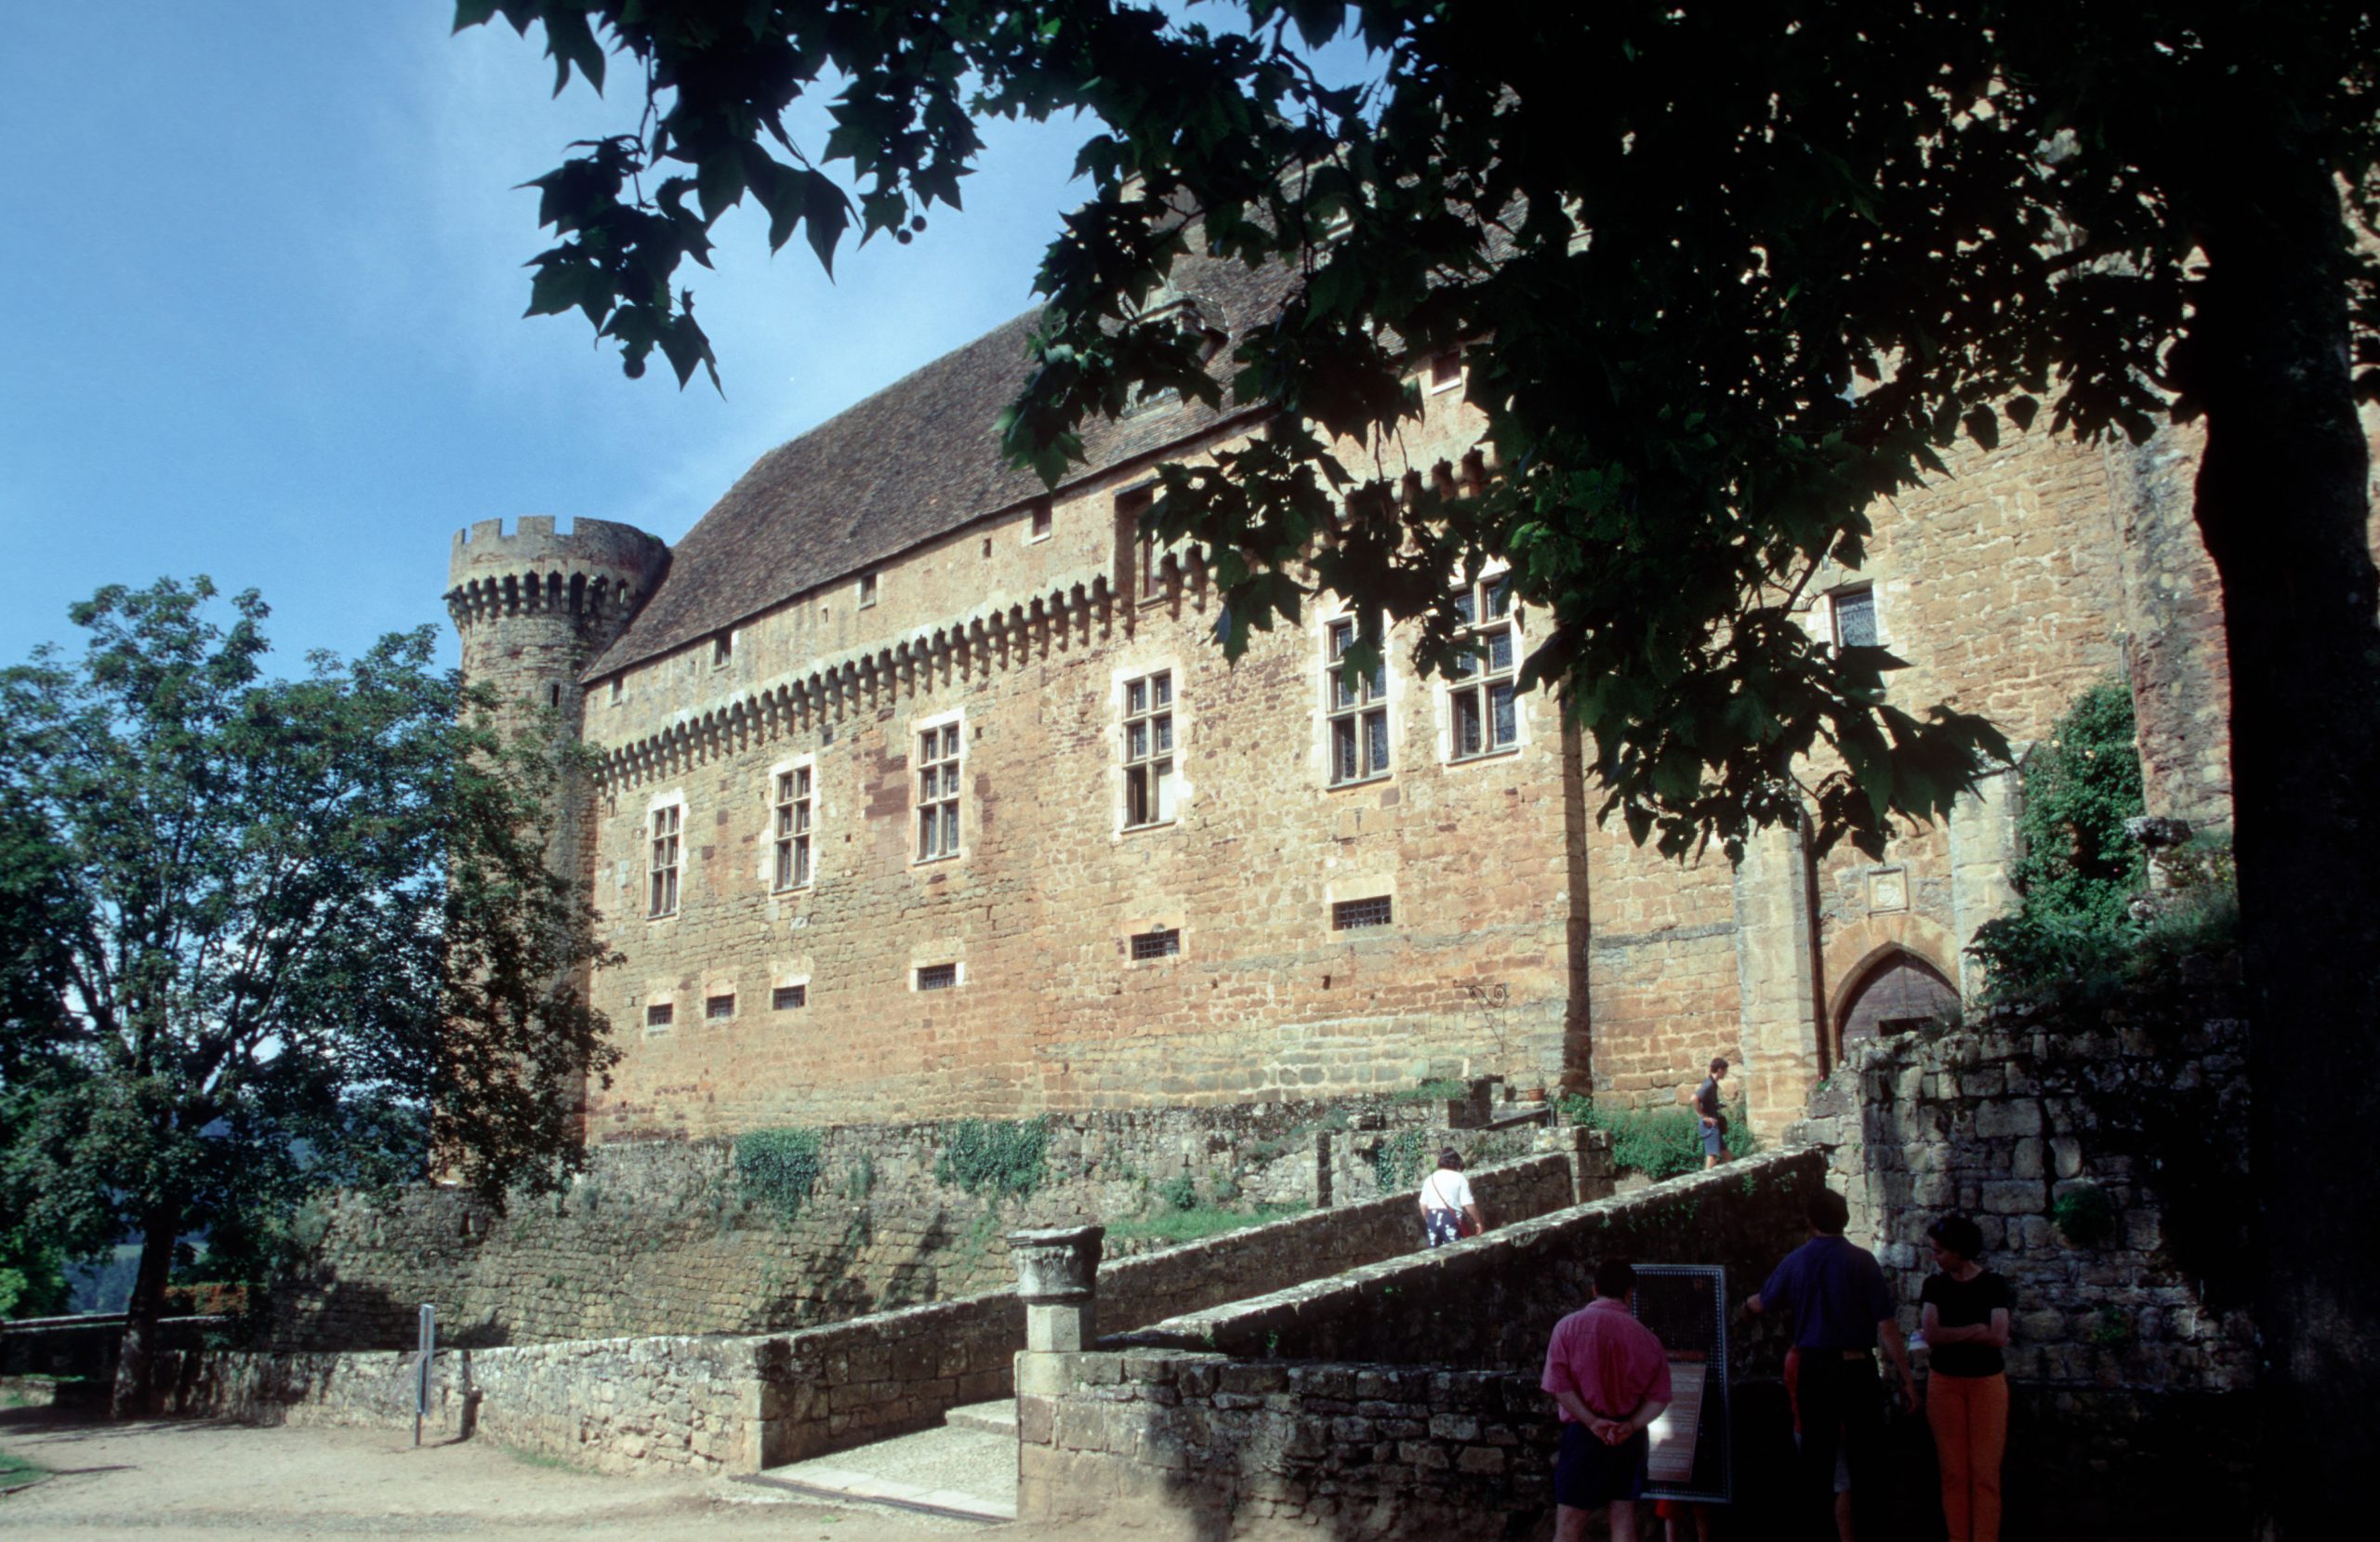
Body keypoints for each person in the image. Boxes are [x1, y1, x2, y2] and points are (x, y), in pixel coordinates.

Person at [1745, 1189, 1916, 1532]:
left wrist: (1748, 1304)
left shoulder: (1797, 1260)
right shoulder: (1862, 1261)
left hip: (1816, 1368)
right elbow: (1887, 1326)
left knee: (1816, 1463)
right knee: (1866, 1459)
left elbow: (1762, 1303)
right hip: (1856, 1368)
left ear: (1810, 1221)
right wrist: (1907, 1378)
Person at [1542, 1259, 1673, 1542]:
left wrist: (1592, 1422)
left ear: (1594, 1289)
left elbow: (1557, 1386)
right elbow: (1659, 1397)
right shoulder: (1648, 1339)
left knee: (1569, 1525)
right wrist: (1631, 1425)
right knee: (1624, 1518)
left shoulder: (1566, 1328)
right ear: (1630, 1293)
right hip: (1626, 1438)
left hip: (1582, 1435)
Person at [1920, 1214, 2013, 1542]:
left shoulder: (1993, 1284)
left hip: (1986, 1383)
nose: (1935, 1257)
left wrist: (1954, 1334)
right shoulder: (1934, 1286)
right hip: (1945, 1383)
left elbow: (1999, 1335)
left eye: (1940, 1251)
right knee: (1954, 1472)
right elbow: (1931, 1333)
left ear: (1960, 1251)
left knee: (1985, 1472)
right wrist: (1974, 1330)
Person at [1417, 1148, 1486, 1247]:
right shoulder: (1459, 1178)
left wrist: (1428, 1219)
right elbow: (1468, 1203)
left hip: (1432, 1219)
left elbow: (1423, 1204)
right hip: (1450, 1218)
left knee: (1435, 1255)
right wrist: (1478, 1222)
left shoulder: (1429, 1179)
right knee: (1456, 1253)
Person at [1695, 1058, 1731, 1169]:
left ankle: (1719, 1181)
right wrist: (1703, 1116)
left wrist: (1717, 1105)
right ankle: (1703, 1184)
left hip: (1714, 1124)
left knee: (1728, 1157)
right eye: (1725, 1070)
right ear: (1720, 1070)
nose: (1726, 1073)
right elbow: (1694, 1098)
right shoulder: (1709, 1084)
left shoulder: (1713, 1084)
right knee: (1712, 1158)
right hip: (1709, 1126)